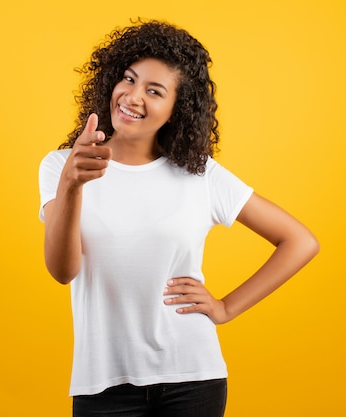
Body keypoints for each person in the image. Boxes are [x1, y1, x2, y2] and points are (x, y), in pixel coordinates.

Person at [38, 19, 319, 417]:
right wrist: (71, 184)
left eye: (154, 91)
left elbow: (300, 242)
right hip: (104, 383)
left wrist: (226, 308)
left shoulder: (199, 174)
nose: (132, 97)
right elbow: (63, 271)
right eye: (129, 80)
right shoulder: (61, 166)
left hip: (193, 377)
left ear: (176, 109)